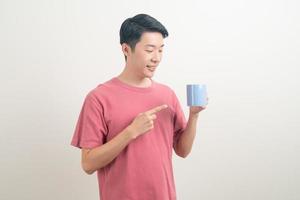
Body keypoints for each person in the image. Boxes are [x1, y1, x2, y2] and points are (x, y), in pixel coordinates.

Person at [70, 13, 207, 200]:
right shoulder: (98, 98)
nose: (157, 58)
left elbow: (183, 151)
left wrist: (194, 116)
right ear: (126, 49)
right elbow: (88, 164)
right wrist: (131, 132)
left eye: (161, 50)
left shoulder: (167, 94)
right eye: (150, 50)